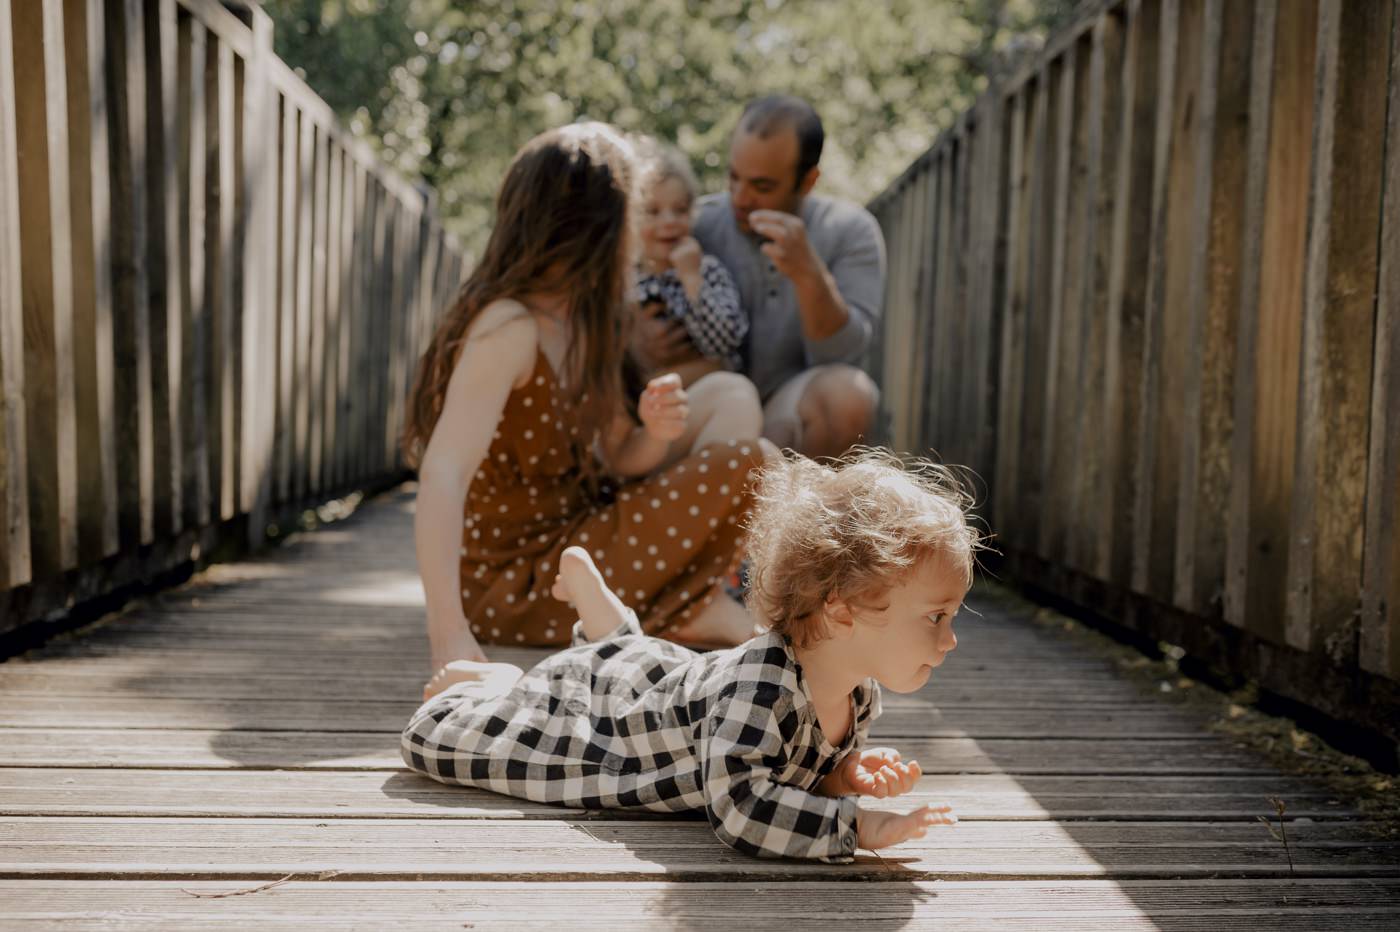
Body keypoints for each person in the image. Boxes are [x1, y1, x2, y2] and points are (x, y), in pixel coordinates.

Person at [402, 449, 976, 861]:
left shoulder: (858, 689)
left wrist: (841, 775)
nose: (950, 639)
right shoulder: (760, 691)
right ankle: (493, 682)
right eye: (935, 617)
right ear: (843, 612)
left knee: (641, 665)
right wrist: (859, 825)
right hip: (621, 729)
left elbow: (787, 773)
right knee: (449, 740)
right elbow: (743, 809)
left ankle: (605, 621)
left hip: (676, 689)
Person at [401, 123, 772, 676]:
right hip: (522, 583)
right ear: (597, 227)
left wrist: (656, 433)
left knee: (757, 462)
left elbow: (619, 456)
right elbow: (444, 473)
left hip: (577, 545)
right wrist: (448, 635)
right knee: (754, 462)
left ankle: (687, 606)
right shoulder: (510, 326)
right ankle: (687, 607)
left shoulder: (585, 322)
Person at [677, 95, 885, 459]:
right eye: (733, 177)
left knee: (849, 395)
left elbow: (843, 356)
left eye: (762, 186)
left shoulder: (850, 231)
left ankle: (804, 514)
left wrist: (808, 274)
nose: (740, 198)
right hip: (705, 405)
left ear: (808, 181)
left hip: (786, 414)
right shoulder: (695, 224)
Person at [631, 138, 747, 387]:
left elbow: (724, 344)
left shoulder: (708, 270)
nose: (669, 221)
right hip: (643, 399)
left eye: (680, 210)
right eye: (652, 211)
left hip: (702, 391)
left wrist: (692, 279)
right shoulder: (623, 279)